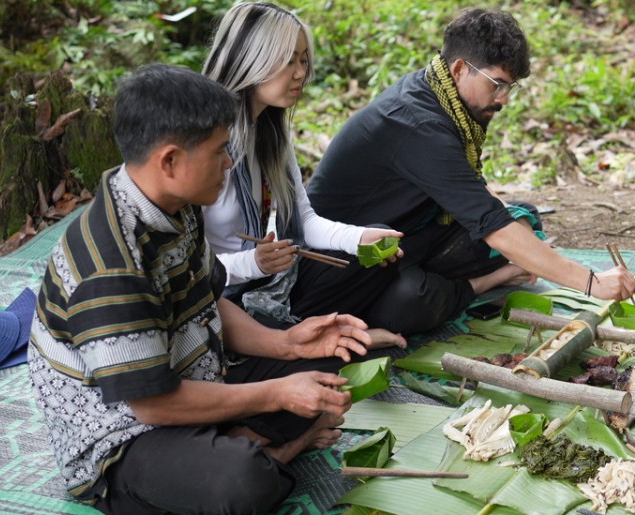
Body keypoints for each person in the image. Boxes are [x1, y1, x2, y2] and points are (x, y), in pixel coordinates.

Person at [28, 64, 376, 515]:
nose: (229, 163)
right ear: (170, 161)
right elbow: (152, 405)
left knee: (327, 363)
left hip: (192, 372)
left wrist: (286, 344)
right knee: (239, 482)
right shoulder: (109, 267)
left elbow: (207, 303)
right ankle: (262, 453)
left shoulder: (177, 204)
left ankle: (239, 443)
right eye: (218, 152)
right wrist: (277, 393)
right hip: (124, 430)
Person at [304, 8, 635, 334]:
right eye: (498, 84)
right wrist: (592, 283)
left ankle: (478, 275)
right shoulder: (417, 124)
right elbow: (491, 226)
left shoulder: (437, 93)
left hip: (406, 234)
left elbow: (474, 191)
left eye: (511, 87)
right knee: (413, 298)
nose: (503, 99)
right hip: (341, 267)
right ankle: (488, 281)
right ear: (461, 69)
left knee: (522, 219)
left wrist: (509, 223)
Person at [201, 0, 405, 348]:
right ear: (251, 59)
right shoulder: (206, 142)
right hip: (220, 297)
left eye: (303, 60)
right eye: (288, 61)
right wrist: (252, 262)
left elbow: (304, 222)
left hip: (272, 282)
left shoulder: (271, 131)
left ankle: (316, 332)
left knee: (378, 249)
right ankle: (309, 338)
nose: (300, 74)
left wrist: (359, 239)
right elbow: (187, 267)